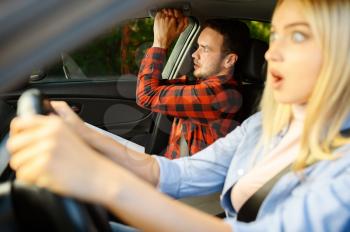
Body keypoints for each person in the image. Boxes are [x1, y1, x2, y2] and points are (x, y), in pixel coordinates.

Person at [6, 0, 350, 231]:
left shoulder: (221, 94)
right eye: (275, 36)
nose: (273, 53)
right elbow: (175, 172)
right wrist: (83, 132)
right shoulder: (264, 124)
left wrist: (100, 180)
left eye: (299, 36)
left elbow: (148, 94)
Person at [136, 9, 249, 159]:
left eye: (205, 49)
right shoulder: (201, 84)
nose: (194, 55)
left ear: (229, 60)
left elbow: (146, 95)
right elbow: (152, 86)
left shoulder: (221, 95)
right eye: (198, 47)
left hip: (185, 179)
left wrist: (160, 43)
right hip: (173, 169)